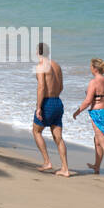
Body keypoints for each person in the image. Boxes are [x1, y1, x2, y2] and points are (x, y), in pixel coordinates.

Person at [31, 42, 70, 176]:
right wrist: (54, 96)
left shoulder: (41, 66)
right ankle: (65, 168)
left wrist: (38, 107)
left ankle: (47, 162)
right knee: (58, 137)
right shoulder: (57, 66)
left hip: (47, 102)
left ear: (37, 52)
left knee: (36, 131)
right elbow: (61, 86)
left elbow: (41, 87)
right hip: (58, 101)